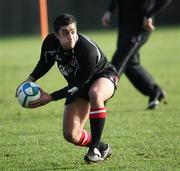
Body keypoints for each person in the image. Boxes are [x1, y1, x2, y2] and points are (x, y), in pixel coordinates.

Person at [16, 13, 119, 163]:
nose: (70, 36)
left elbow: (80, 84)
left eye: (73, 31)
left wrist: (50, 97)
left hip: (104, 76)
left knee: (95, 94)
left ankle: (94, 150)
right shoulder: (51, 42)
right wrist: (30, 79)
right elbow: (45, 62)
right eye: (65, 32)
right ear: (57, 35)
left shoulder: (86, 50)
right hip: (78, 84)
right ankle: (102, 147)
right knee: (71, 135)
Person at [102, 0, 172, 109]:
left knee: (119, 60)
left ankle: (101, 98)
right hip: (125, 24)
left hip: (141, 25)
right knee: (130, 64)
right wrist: (110, 10)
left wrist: (150, 14)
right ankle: (154, 91)